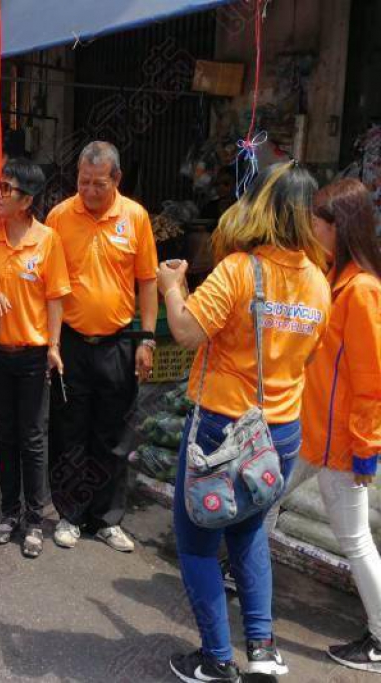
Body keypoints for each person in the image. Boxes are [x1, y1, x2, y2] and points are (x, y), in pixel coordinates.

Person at [158, 162, 331, 683]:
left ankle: (216, 659)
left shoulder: (239, 269)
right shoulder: (319, 283)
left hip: (223, 429)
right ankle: (263, 648)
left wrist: (172, 284)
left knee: (196, 543)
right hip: (279, 433)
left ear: (262, 205)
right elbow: (307, 356)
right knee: (250, 532)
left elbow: (187, 331)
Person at [45, 141, 158, 554]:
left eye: (98, 184)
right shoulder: (59, 217)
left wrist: (146, 338)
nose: (89, 191)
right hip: (72, 343)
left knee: (114, 436)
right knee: (69, 431)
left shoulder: (135, 217)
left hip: (117, 344)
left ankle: (107, 519)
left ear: (117, 180)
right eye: (83, 182)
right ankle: (70, 516)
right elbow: (48, 286)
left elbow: (147, 280)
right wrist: (50, 342)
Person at [298, 179, 381, 674]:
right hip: (312, 433)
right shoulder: (337, 277)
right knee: (263, 499)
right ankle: (243, 573)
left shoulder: (363, 291)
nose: (311, 229)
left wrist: (366, 448)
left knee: (354, 541)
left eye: (317, 223)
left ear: (339, 227)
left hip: (339, 443)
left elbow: (372, 380)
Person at [0, 159, 71, 559]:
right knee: (5, 435)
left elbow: (56, 296)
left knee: (33, 439)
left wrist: (54, 346)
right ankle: (8, 512)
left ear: (27, 200)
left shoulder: (48, 240)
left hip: (35, 354)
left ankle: (35, 521)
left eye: (8, 188)